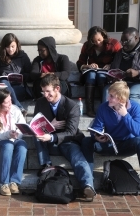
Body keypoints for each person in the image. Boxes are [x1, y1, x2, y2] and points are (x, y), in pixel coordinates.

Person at [81, 81, 140, 198]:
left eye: (112, 96)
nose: (108, 98)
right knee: (86, 141)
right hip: (107, 144)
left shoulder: (135, 108)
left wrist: (125, 115)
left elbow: (138, 132)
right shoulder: (104, 107)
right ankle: (88, 182)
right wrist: (97, 136)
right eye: (109, 95)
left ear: (121, 98)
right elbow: (96, 128)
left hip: (126, 145)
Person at [33, 74, 96, 202]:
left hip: (68, 141)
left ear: (57, 89)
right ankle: (46, 164)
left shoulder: (71, 106)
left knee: (78, 158)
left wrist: (51, 136)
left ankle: (88, 186)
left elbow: (71, 132)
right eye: (43, 91)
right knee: (36, 135)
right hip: (46, 142)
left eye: (48, 92)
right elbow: (36, 124)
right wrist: (50, 125)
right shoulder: (40, 103)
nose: (45, 95)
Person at [0, 88, 28, 196]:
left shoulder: (15, 109)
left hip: (13, 140)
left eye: (11, 100)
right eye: (7, 102)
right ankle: (3, 183)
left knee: (22, 145)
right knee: (8, 145)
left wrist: (17, 133)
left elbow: (22, 126)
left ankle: (14, 181)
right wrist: (9, 134)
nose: (10, 103)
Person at [76, 26, 121, 117]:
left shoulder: (113, 44)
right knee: (91, 75)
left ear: (104, 36)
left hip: (106, 72)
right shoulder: (87, 45)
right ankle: (89, 109)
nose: (97, 43)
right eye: (94, 41)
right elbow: (80, 62)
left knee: (101, 77)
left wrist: (111, 65)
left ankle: (104, 106)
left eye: (99, 40)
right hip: (91, 72)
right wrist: (88, 66)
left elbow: (120, 59)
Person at [0, 33, 32, 116]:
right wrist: (2, 80)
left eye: (13, 46)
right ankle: (19, 107)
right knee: (3, 81)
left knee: (6, 96)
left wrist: (22, 77)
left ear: (17, 45)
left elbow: (30, 74)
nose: (10, 49)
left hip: (19, 88)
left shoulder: (23, 56)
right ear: (4, 47)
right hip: (4, 88)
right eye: (8, 47)